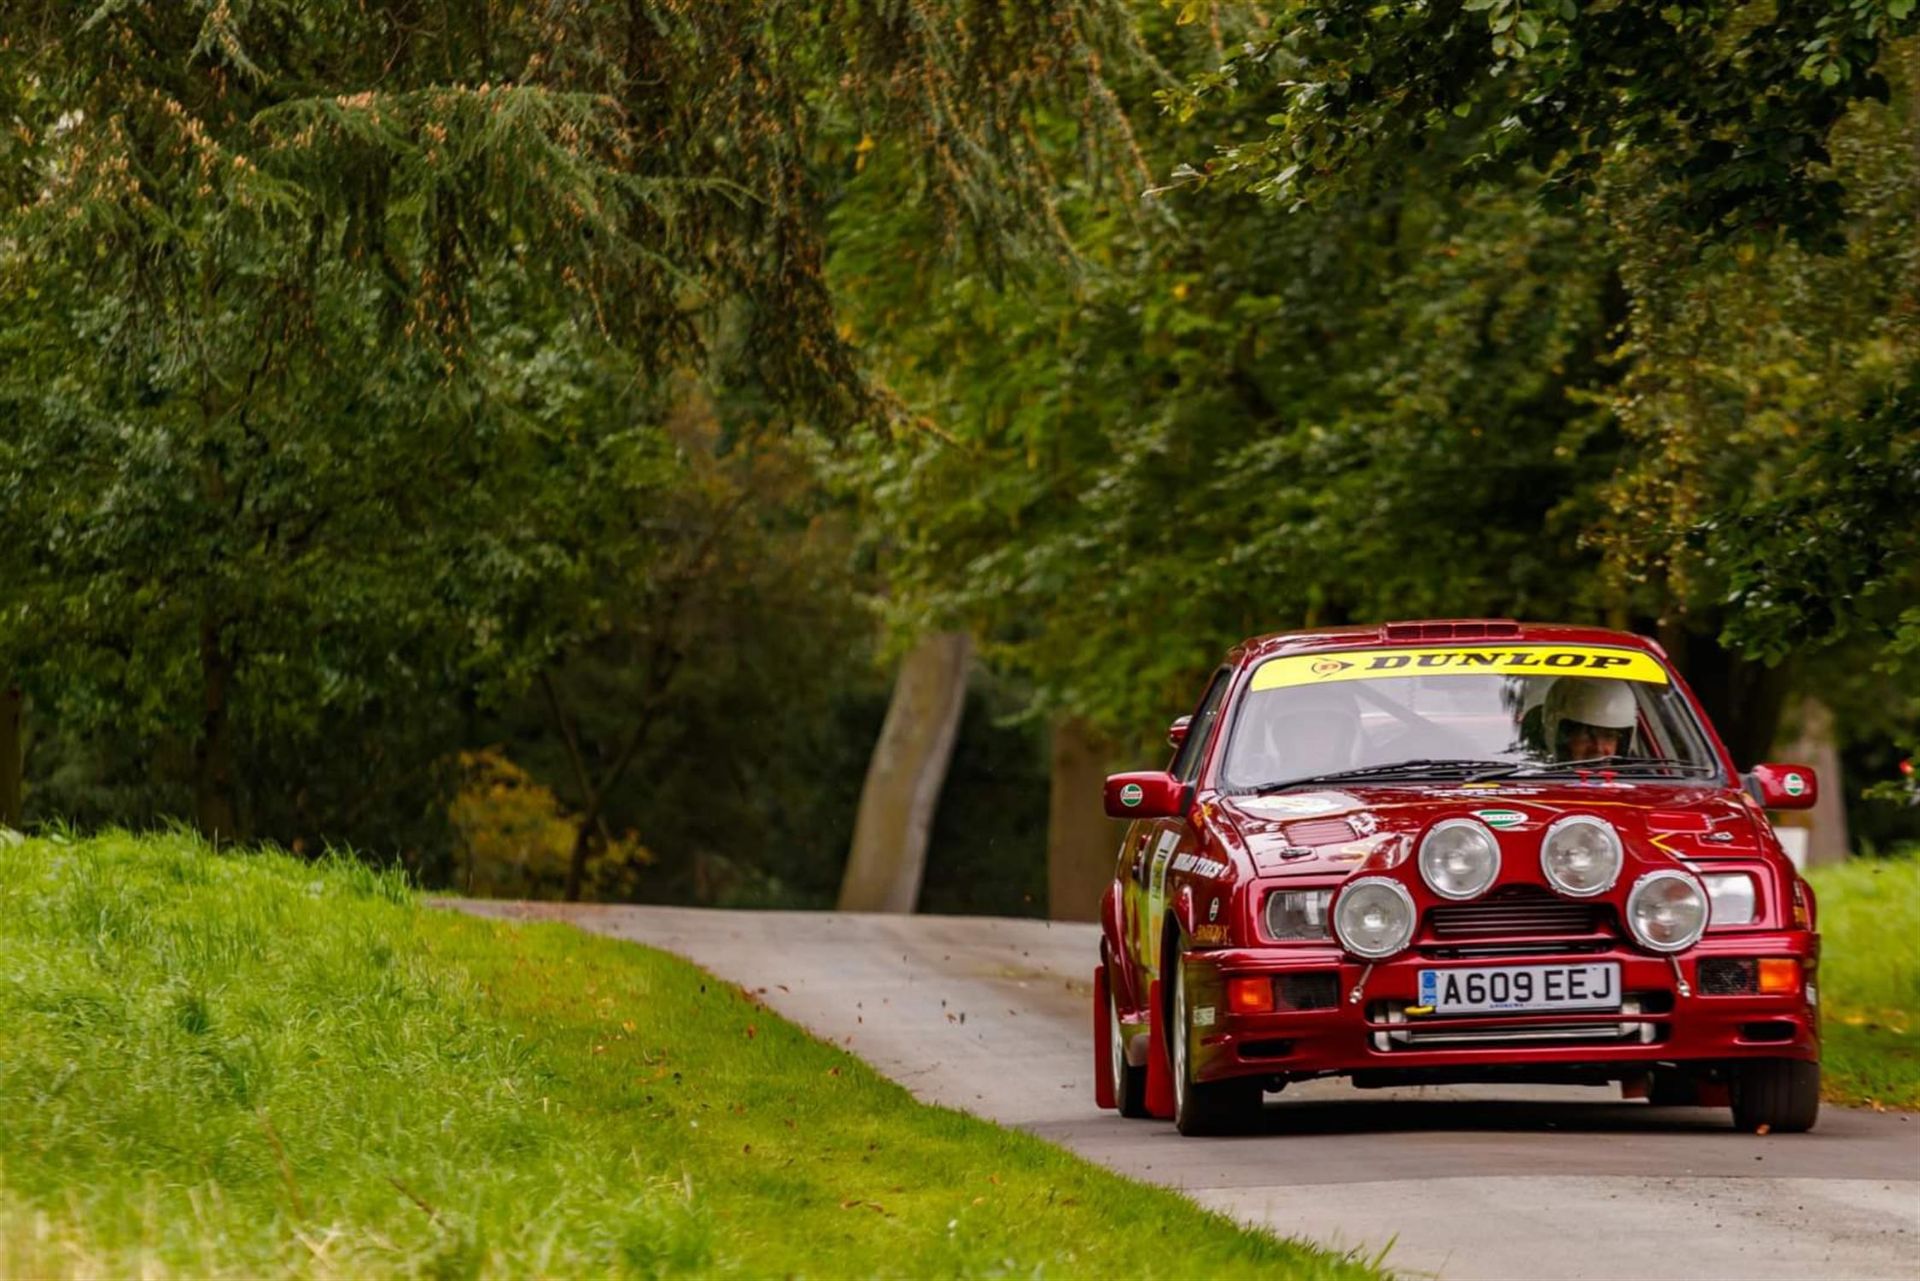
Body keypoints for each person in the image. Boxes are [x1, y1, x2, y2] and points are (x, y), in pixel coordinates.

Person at [1540, 677, 1637, 761]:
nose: (1598, 748)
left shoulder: (1641, 778)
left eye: (1609, 736)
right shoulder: (1532, 777)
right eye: (1587, 735)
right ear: (1561, 737)